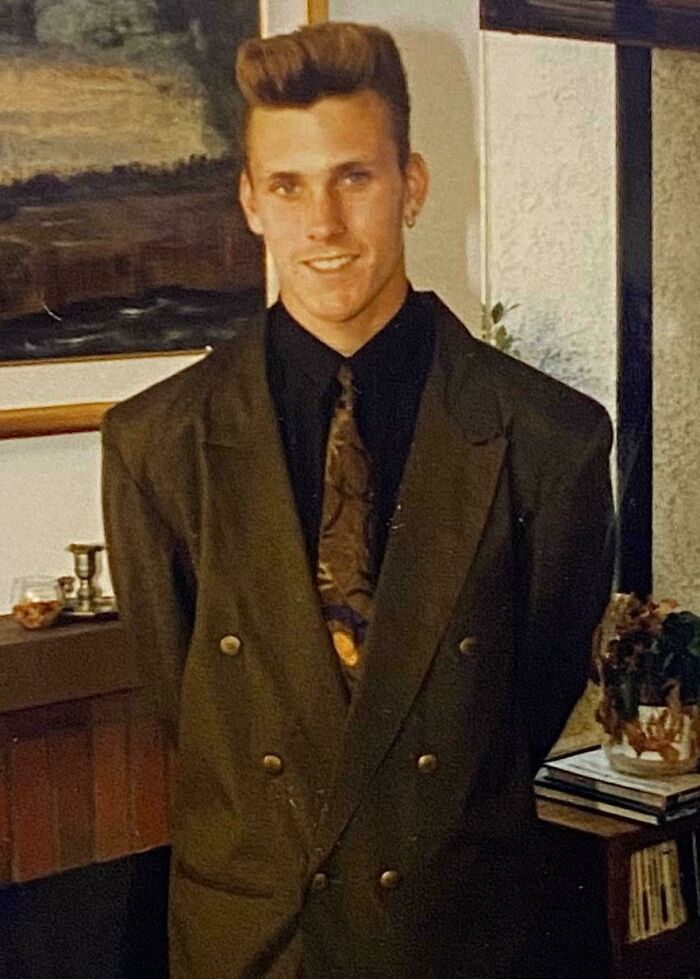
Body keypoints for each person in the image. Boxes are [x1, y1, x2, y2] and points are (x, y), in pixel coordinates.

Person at [102, 22, 615, 979]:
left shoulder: (552, 439)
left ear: (411, 185)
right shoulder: (154, 444)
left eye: (354, 178)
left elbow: (523, 706)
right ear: (251, 202)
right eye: (289, 186)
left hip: (461, 940)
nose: (323, 226)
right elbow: (197, 711)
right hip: (251, 949)